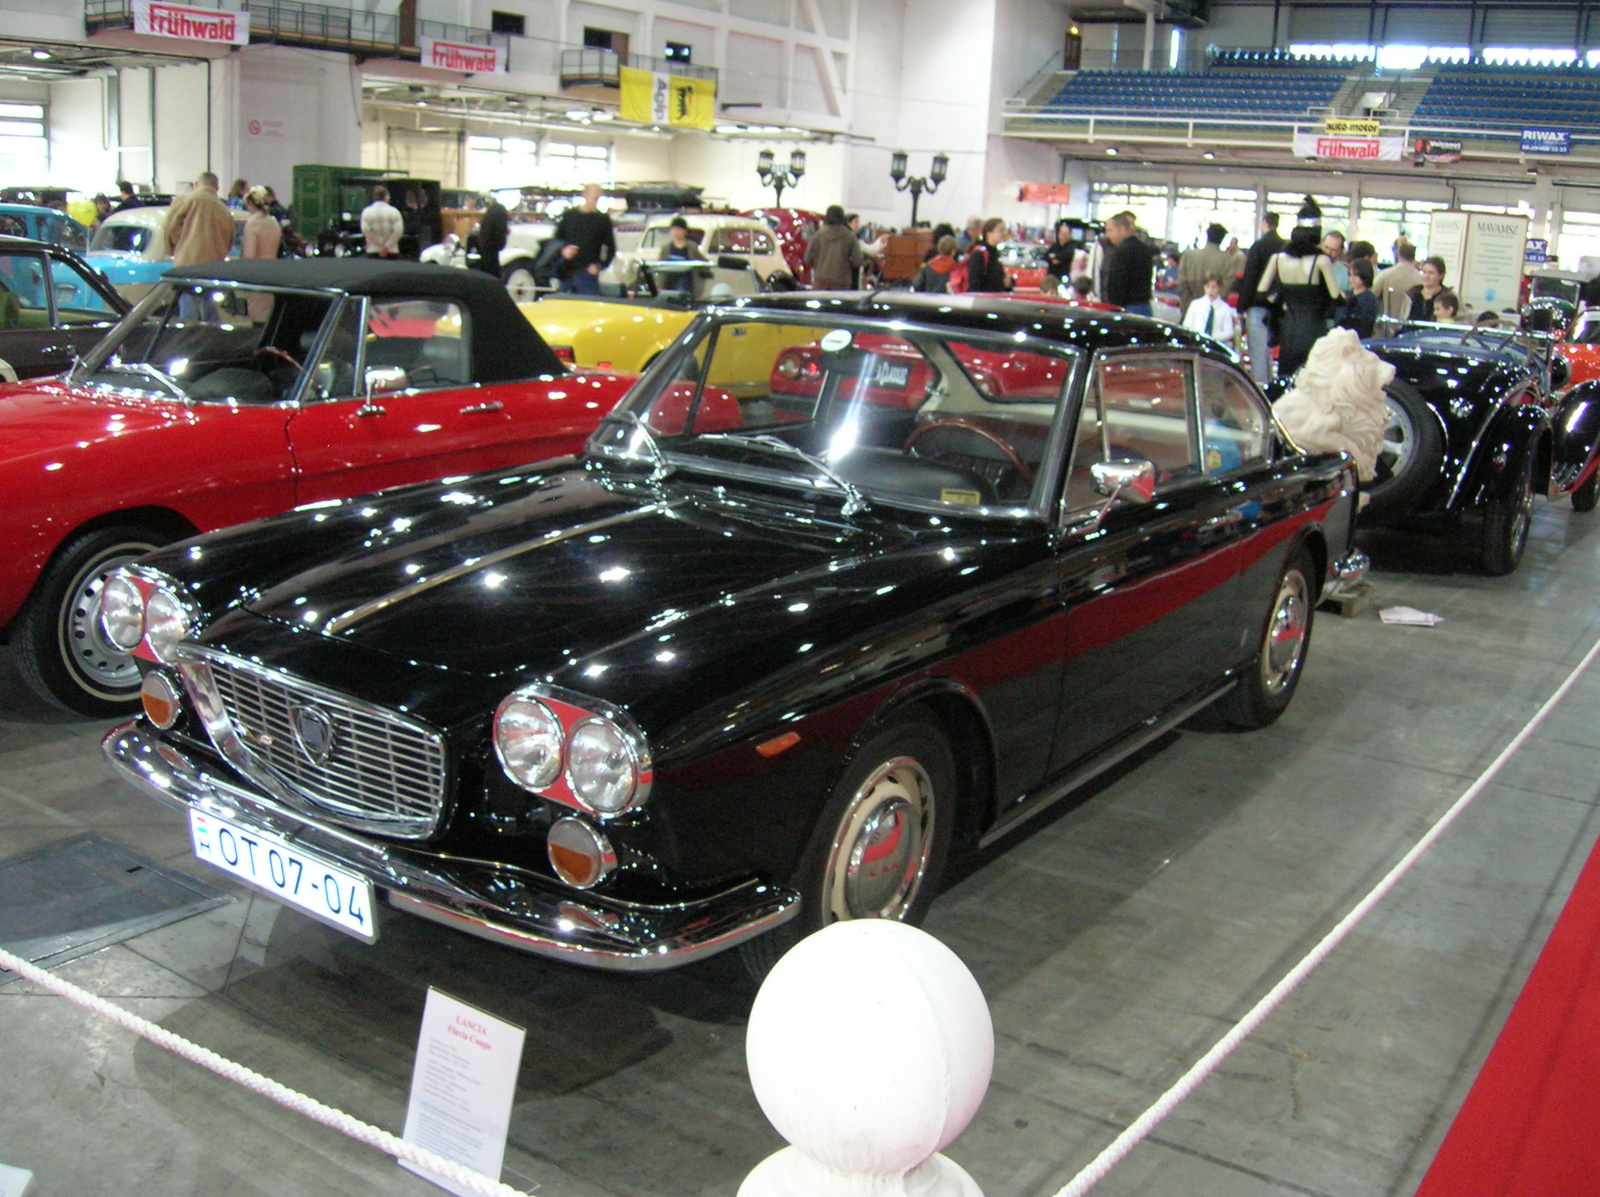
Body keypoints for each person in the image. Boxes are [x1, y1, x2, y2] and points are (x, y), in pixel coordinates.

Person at [1256, 198, 1342, 378]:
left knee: (1287, 377)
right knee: (1312, 378)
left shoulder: (1278, 258)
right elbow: (1336, 297)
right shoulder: (1321, 261)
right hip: (1313, 329)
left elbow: (1262, 294)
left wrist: (1278, 307)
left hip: (1289, 329)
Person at [1237, 212, 1285, 385]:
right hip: (1278, 308)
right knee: (1268, 352)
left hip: (1258, 305)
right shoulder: (1285, 246)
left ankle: (1260, 389)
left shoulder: (1259, 246)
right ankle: (1271, 386)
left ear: (1264, 223)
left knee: (1257, 351)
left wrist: (1241, 308)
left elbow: (1249, 278)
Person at [163, 171, 235, 268]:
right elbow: (229, 240)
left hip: (186, 264)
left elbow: (170, 227)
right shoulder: (225, 210)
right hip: (214, 267)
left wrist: (176, 248)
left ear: (196, 184)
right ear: (217, 188)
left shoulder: (183, 200)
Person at [554, 183, 616, 295]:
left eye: (599, 199)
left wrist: (599, 265)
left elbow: (611, 249)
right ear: (584, 196)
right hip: (566, 273)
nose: (596, 203)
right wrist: (563, 250)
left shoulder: (602, 220)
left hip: (588, 275)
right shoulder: (569, 216)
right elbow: (556, 241)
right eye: (594, 199)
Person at [1102, 212, 1154, 316]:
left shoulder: (1121, 252)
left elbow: (1117, 286)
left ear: (1122, 229)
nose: (1107, 235)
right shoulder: (1145, 249)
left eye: (1110, 230)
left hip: (1127, 310)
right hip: (1145, 308)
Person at [805, 204, 866, 290]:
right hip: (842, 281)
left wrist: (819, 265)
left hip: (820, 280)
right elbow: (858, 261)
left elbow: (808, 259)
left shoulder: (817, 235)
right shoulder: (850, 236)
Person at [1177, 222, 1230, 313]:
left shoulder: (1189, 255)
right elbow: (1226, 287)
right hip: (1213, 312)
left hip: (1189, 307)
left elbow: (1182, 284)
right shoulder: (1227, 259)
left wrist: (1188, 306)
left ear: (1207, 236)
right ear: (1222, 239)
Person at [1375, 240, 1424, 325]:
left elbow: (1373, 295)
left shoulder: (1384, 274)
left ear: (1398, 254)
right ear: (1414, 256)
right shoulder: (1421, 279)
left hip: (1387, 325)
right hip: (1410, 325)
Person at [1182, 272, 1238, 344]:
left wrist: (1213, 337)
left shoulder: (1225, 309)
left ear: (1219, 288)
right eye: (1208, 287)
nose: (1210, 290)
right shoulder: (1195, 304)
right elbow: (1187, 326)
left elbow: (1229, 332)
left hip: (1216, 343)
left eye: (1214, 287)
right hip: (1196, 342)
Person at [964, 217, 1011, 293]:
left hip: (994, 301)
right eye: (1000, 230)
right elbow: (974, 284)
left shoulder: (995, 253)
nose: (1004, 233)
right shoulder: (979, 254)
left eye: (1004, 230)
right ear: (989, 233)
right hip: (983, 302)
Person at [1339, 259, 1378, 339]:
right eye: (1350, 275)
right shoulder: (1345, 294)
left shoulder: (1370, 299)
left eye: (1356, 276)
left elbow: (1365, 324)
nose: (1351, 279)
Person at [360, 185, 403, 258]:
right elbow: (398, 232)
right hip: (391, 250)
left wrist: (380, 242)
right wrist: (386, 246)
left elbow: (366, 231)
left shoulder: (366, 212)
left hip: (373, 250)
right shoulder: (395, 212)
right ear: (386, 197)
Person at [241, 185, 280, 260]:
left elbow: (249, 255)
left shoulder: (252, 223)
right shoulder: (274, 222)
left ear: (250, 203)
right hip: (272, 267)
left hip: (257, 269)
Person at [1407, 256, 1449, 321]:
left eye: (1431, 273)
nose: (1426, 276)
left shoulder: (1448, 296)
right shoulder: (1412, 293)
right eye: (1424, 272)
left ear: (1441, 275)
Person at [476, 193, 508, 276]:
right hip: (493, 254)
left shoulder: (489, 215)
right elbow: (500, 236)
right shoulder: (500, 212)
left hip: (485, 252)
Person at [1043, 219, 1077, 296]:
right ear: (1059, 235)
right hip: (1052, 276)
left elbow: (1066, 255)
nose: (1065, 236)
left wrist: (1055, 257)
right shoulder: (1055, 246)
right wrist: (1053, 259)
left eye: (1067, 234)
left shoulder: (1071, 246)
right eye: (1063, 233)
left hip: (1064, 277)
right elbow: (1046, 256)